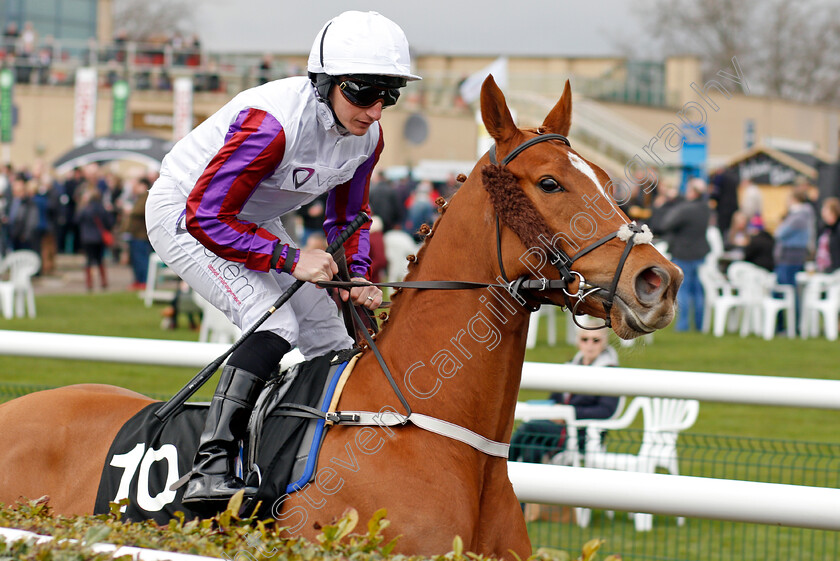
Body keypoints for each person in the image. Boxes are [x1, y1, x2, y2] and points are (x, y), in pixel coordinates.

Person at [145, 10, 420, 506]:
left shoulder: (369, 138)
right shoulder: (271, 123)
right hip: (185, 211)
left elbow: (347, 217)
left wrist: (356, 276)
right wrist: (288, 257)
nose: (375, 111)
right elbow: (207, 215)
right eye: (363, 93)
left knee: (334, 337)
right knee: (275, 324)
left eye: (389, 96)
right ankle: (210, 465)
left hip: (246, 218)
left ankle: (313, 456)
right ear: (325, 82)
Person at [509, 318, 620, 465]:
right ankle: (527, 485)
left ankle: (502, 466)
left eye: (595, 340)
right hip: (559, 426)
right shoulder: (571, 365)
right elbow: (554, 398)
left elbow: (606, 410)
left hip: (583, 432)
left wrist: (568, 412)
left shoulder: (610, 371)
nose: (589, 345)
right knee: (532, 447)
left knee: (528, 428)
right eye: (584, 339)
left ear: (604, 342)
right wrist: (556, 411)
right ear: (578, 342)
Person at [658, 178, 711, 332]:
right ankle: (700, 326)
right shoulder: (705, 208)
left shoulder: (685, 209)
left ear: (693, 192)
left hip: (683, 253)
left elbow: (665, 224)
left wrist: (668, 203)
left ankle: (683, 326)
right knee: (698, 292)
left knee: (684, 291)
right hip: (700, 253)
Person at [75, 186, 113, 291]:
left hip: (87, 238)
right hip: (99, 238)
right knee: (100, 259)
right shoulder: (103, 209)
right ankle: (103, 281)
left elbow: (77, 220)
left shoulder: (85, 209)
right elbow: (109, 223)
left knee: (89, 260)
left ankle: (89, 283)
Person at [815, 197, 840, 273]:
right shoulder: (825, 228)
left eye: (826, 210)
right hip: (824, 269)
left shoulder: (837, 228)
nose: (823, 213)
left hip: (836, 270)